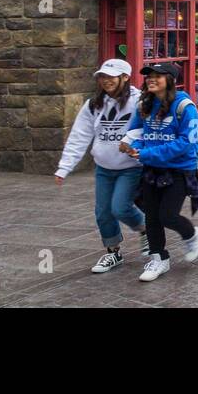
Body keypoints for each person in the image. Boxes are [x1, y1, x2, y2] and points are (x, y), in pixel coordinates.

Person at [55, 58, 147, 273]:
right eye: (102, 77)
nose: (106, 81)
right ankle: (112, 252)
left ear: (125, 77)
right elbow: (79, 136)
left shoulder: (139, 101)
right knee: (103, 212)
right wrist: (64, 167)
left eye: (111, 76)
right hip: (104, 168)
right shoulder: (94, 104)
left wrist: (142, 151)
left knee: (120, 207)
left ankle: (146, 229)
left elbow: (148, 128)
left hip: (131, 166)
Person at [119, 62, 198, 283]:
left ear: (171, 80)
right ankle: (159, 258)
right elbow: (136, 131)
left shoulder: (185, 106)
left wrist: (147, 154)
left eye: (158, 76)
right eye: (149, 76)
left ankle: (191, 234)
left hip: (180, 170)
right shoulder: (144, 105)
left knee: (167, 215)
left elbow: (187, 143)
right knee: (152, 217)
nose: (151, 79)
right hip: (152, 170)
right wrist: (130, 145)